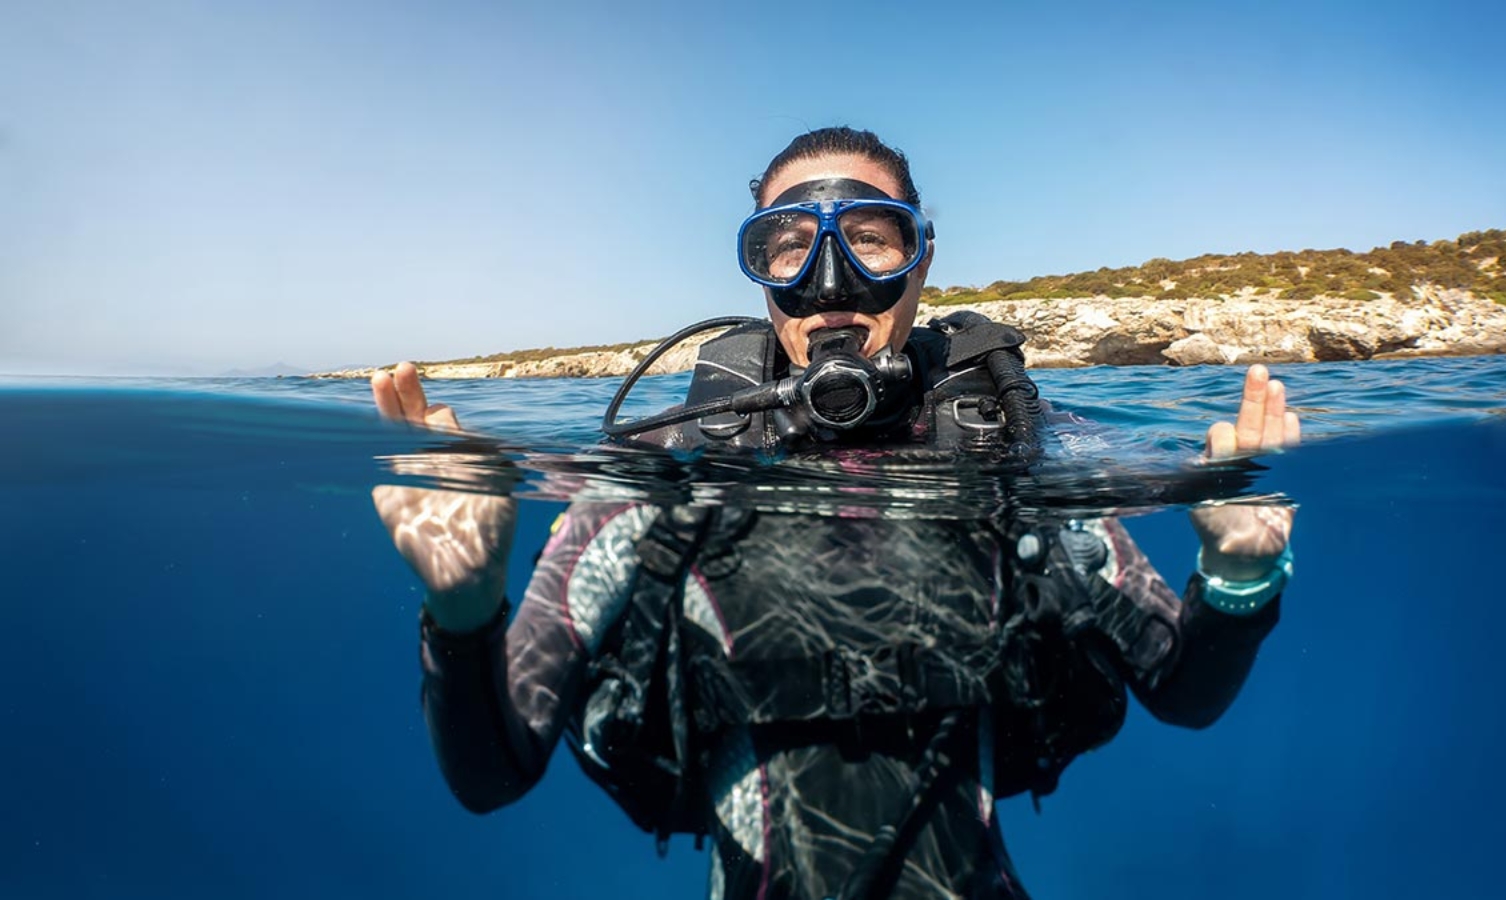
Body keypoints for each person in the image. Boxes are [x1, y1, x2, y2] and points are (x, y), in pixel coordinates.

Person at [372, 127, 1299, 900]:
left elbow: (1181, 691)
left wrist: (1240, 576)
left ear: (922, 260)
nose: (831, 285)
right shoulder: (666, 472)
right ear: (761, 275)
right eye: (788, 246)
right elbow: (493, 775)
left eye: (872, 238)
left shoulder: (1012, 446)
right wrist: (461, 611)